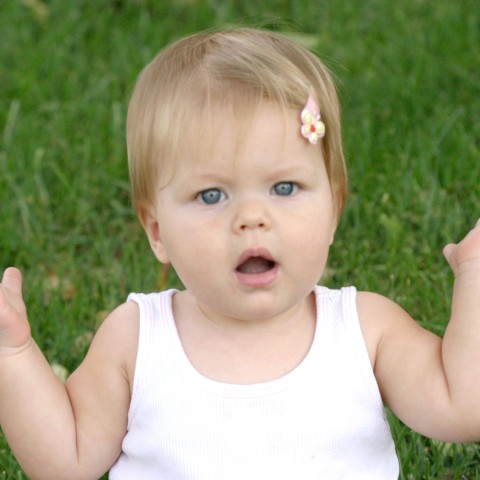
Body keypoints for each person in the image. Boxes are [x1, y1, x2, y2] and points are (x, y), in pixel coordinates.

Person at [0, 27, 479, 480]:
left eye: (284, 187)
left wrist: (475, 273)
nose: (252, 217)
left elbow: (464, 407)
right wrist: (13, 352)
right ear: (157, 230)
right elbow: (67, 461)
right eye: (212, 196)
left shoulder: (366, 331)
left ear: (334, 210)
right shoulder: (137, 339)